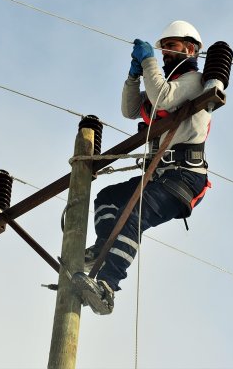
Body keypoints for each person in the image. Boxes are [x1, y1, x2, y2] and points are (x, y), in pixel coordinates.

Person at [73, 20, 212, 315]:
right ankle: (104, 247)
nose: (165, 53)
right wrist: (133, 76)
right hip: (161, 175)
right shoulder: (162, 85)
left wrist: (148, 61)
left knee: (134, 214)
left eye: (171, 46)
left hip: (184, 177)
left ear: (190, 49)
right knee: (108, 198)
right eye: (162, 48)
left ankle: (108, 287)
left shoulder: (194, 81)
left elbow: (162, 97)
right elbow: (130, 110)